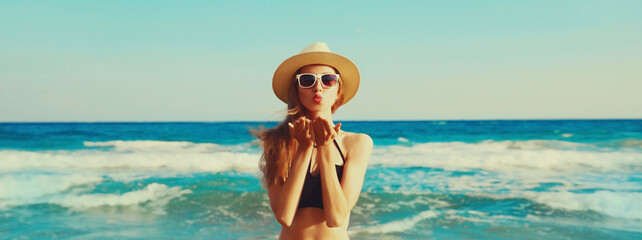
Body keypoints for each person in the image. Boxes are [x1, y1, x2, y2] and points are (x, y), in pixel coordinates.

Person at [254, 42, 373, 239]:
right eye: (307, 80)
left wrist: (325, 147)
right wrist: (304, 148)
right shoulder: (277, 142)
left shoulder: (357, 143)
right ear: (296, 89)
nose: (318, 87)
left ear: (338, 90)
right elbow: (284, 216)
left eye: (328, 80)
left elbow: (336, 217)